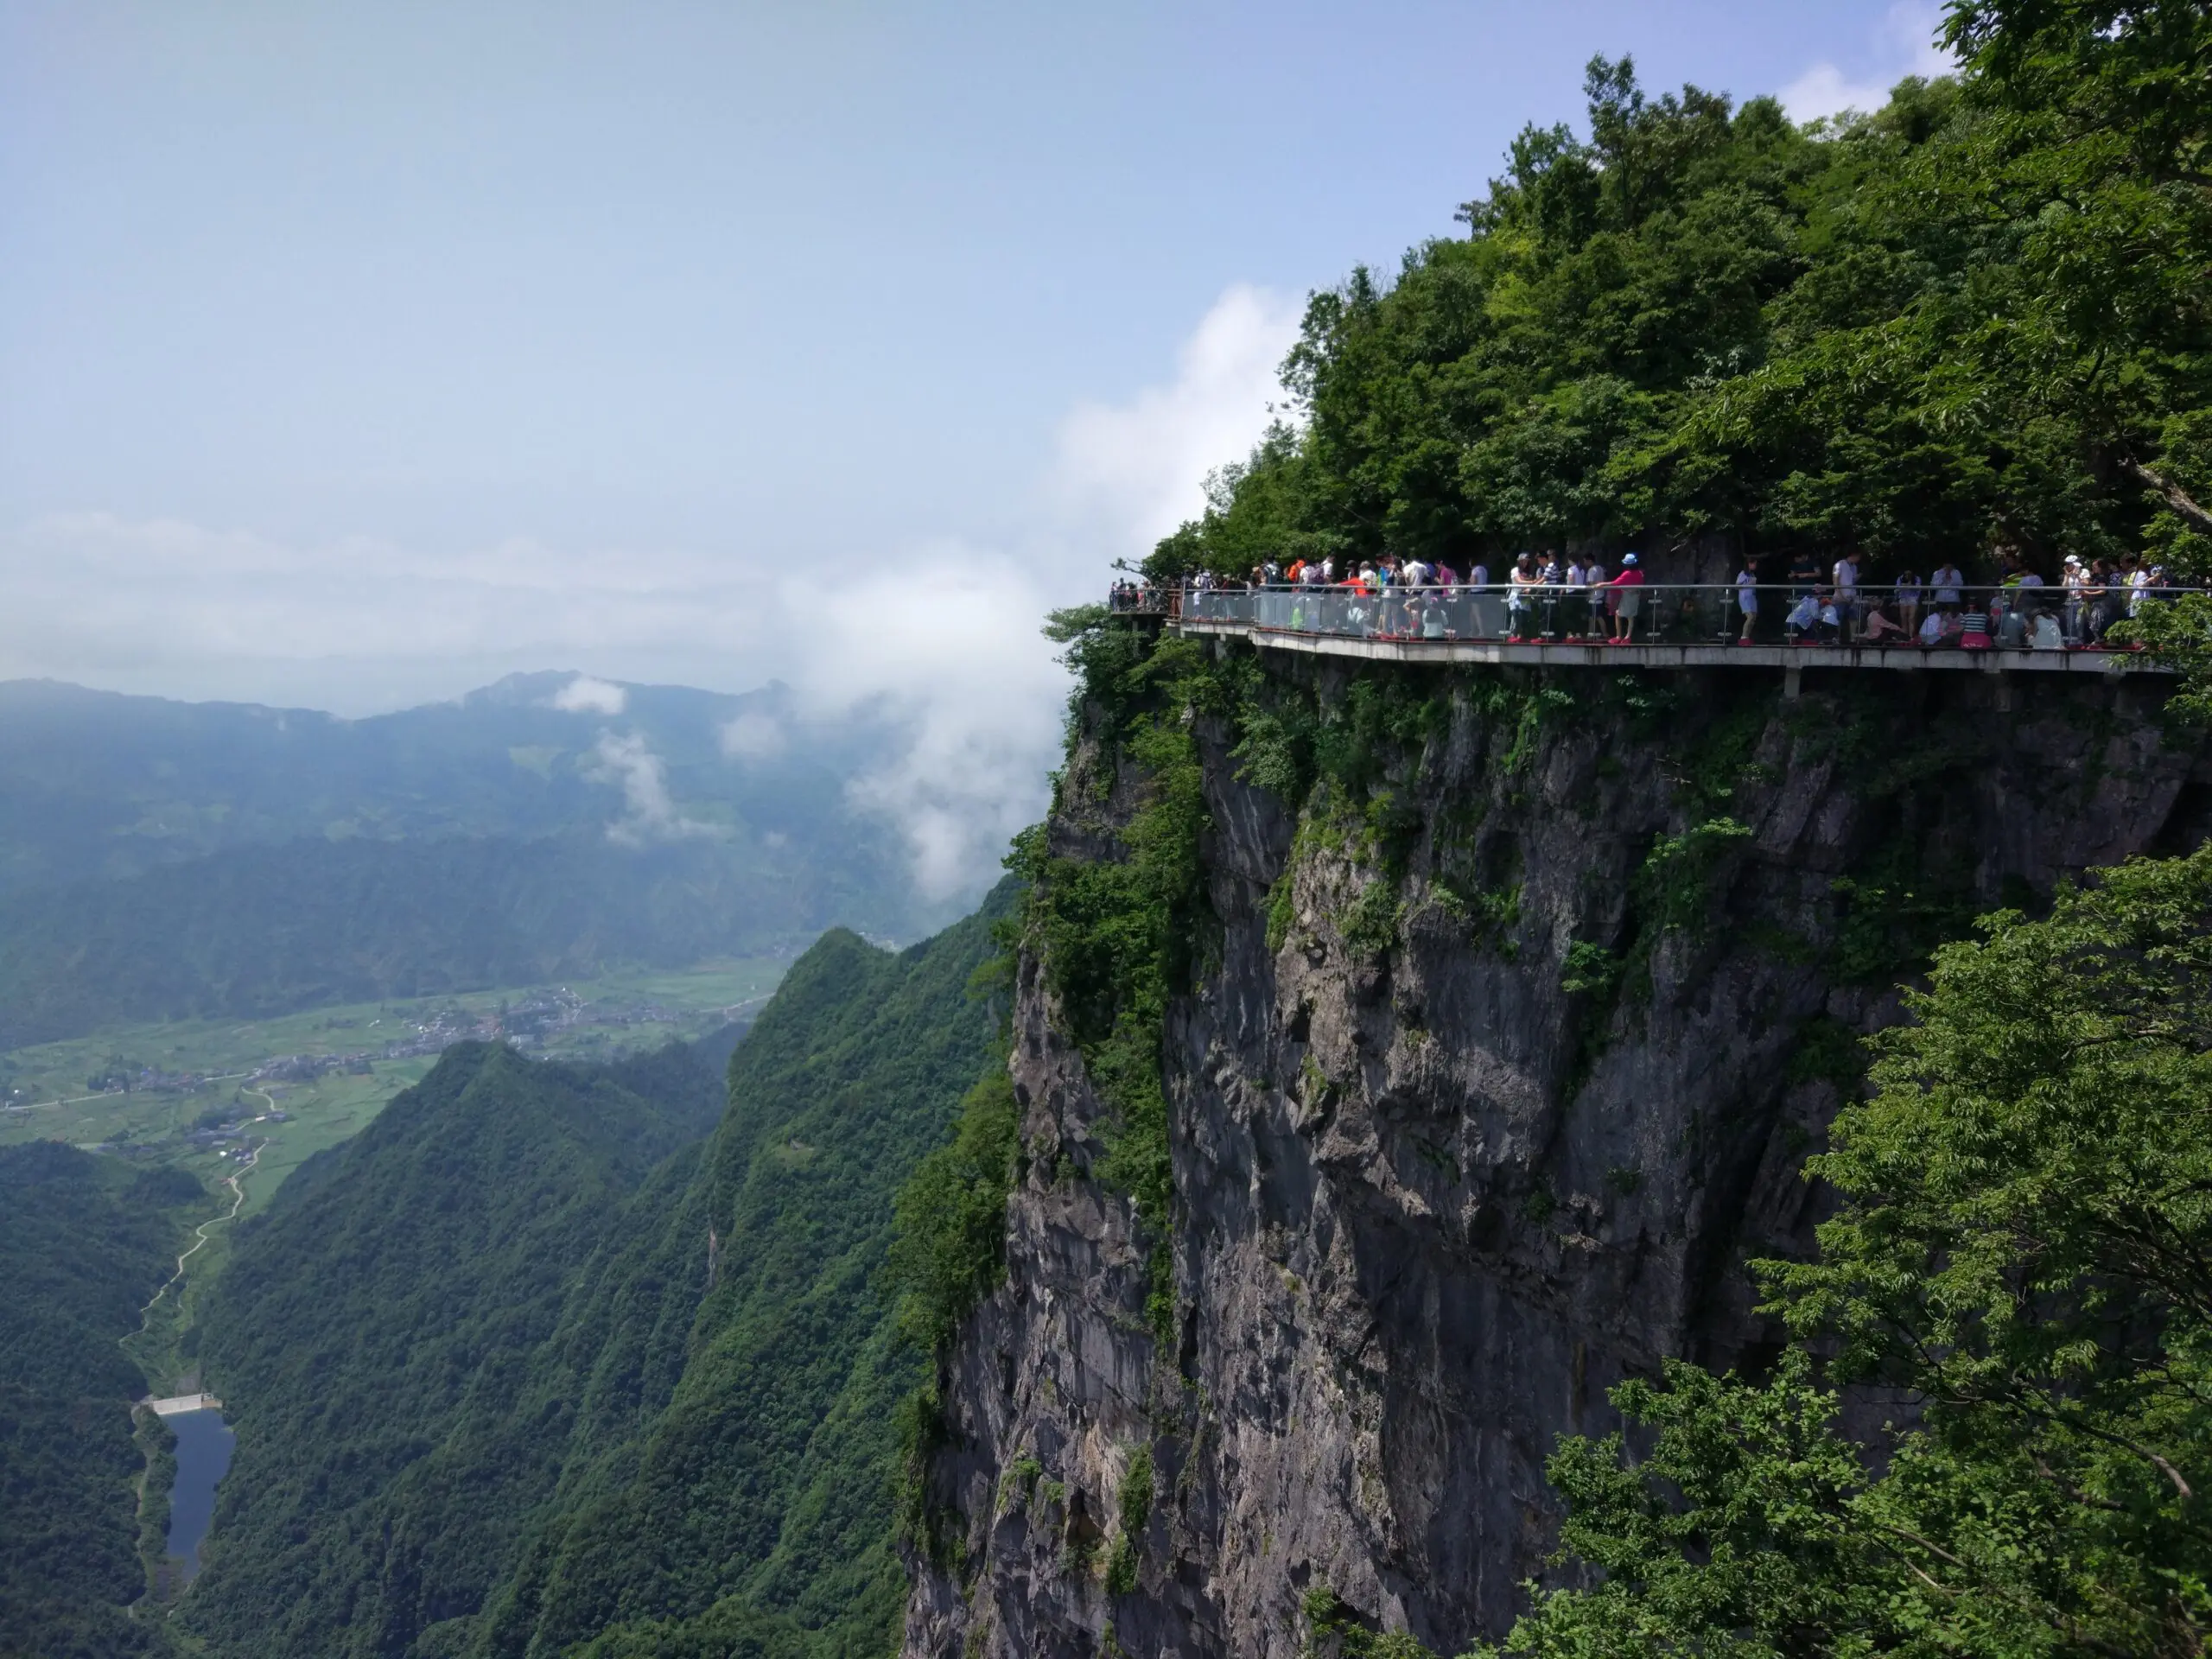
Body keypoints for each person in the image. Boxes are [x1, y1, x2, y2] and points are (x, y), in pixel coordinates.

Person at [1605, 552, 1647, 644]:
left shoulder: (1627, 574)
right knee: (1631, 616)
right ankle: (1628, 636)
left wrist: (1600, 584)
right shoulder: (1640, 573)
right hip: (1636, 595)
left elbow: (1615, 583)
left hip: (1627, 596)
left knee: (1618, 614)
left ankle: (1619, 636)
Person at [1507, 552, 1542, 641]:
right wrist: (1533, 582)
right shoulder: (1515, 570)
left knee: (1524, 616)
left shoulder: (1527, 572)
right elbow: (1518, 581)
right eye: (1523, 561)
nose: (1525, 563)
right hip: (1516, 596)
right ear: (1519, 561)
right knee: (1516, 616)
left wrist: (1531, 587)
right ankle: (1512, 636)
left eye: (1526, 561)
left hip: (1525, 597)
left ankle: (1521, 635)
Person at [1893, 569, 1923, 639]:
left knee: (1911, 618)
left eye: (1909, 574)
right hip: (1903, 599)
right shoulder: (1900, 578)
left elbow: (1918, 589)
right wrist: (1902, 587)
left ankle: (1911, 637)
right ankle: (1905, 637)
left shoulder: (1917, 578)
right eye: (1906, 574)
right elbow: (1896, 590)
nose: (1907, 575)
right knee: (1903, 618)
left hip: (1913, 599)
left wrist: (1910, 585)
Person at [1735, 557, 1759, 643]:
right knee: (1750, 617)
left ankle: (1747, 636)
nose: (1755, 566)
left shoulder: (1752, 575)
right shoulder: (1743, 574)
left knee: (1753, 618)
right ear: (1749, 564)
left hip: (1752, 598)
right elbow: (1737, 585)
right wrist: (1747, 584)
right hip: (1745, 598)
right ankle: (1744, 636)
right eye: (1754, 564)